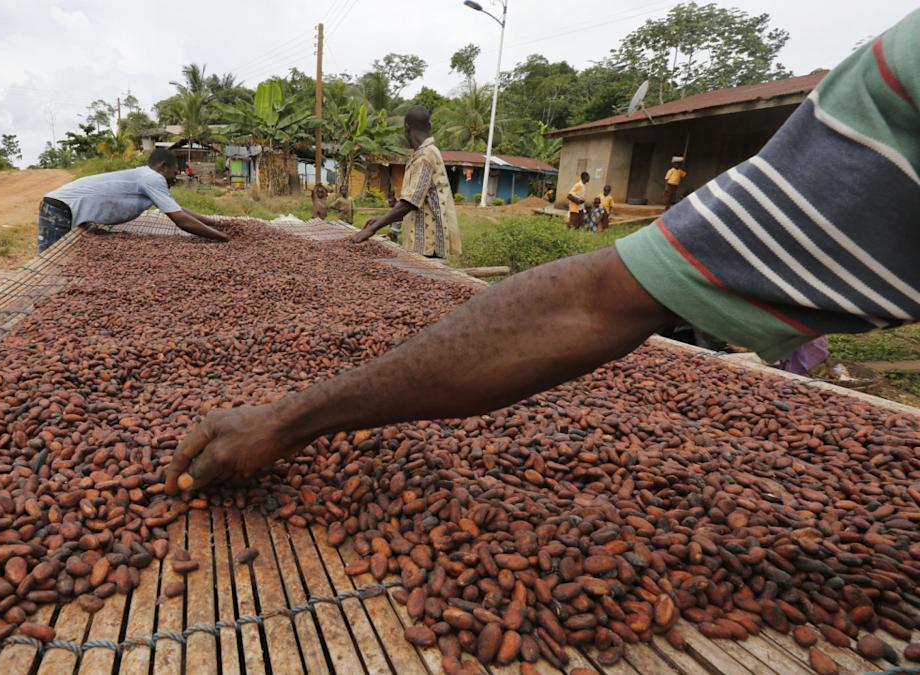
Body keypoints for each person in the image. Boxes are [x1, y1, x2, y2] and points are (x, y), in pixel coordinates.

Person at [162, 10, 920, 496]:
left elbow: (592, 300)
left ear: (409, 131)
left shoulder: (888, 98)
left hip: (432, 241)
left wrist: (289, 417)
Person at [37, 149, 228, 252]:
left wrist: (214, 223)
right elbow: (181, 220)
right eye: (174, 172)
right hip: (60, 208)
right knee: (49, 259)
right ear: (163, 167)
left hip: (63, 206)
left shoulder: (147, 178)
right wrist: (223, 238)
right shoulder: (152, 178)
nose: (175, 178)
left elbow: (178, 209)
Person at [349, 106, 461, 259]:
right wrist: (382, 218)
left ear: (407, 127)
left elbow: (410, 202)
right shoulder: (427, 152)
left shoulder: (425, 156)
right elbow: (418, 202)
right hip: (426, 244)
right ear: (428, 127)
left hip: (428, 246)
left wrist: (372, 229)